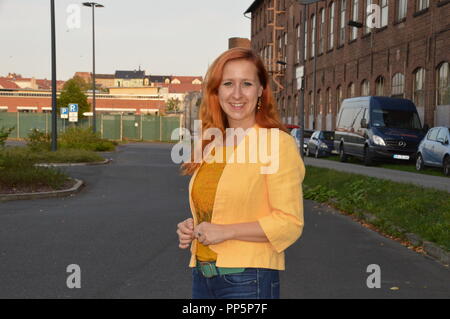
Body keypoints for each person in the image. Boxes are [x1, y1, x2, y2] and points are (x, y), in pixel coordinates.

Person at [176, 48, 305, 299]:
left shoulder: (276, 143)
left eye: (246, 83)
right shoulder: (212, 143)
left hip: (247, 279)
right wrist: (192, 226)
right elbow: (219, 207)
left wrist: (226, 232)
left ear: (260, 90)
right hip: (202, 276)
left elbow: (289, 223)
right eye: (228, 84)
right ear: (216, 91)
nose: (236, 94)